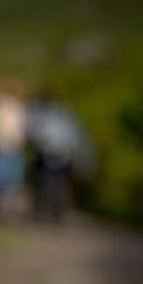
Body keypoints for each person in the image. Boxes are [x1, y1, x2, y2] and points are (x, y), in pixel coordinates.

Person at [27, 91, 92, 222]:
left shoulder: (45, 113)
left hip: (48, 154)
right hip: (62, 155)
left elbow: (36, 134)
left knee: (45, 182)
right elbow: (74, 137)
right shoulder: (66, 114)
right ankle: (54, 211)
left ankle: (44, 209)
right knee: (58, 184)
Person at [0, 78, 27, 216]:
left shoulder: (19, 106)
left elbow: (21, 127)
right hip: (0, 144)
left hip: (14, 147)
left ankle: (5, 206)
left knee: (12, 179)